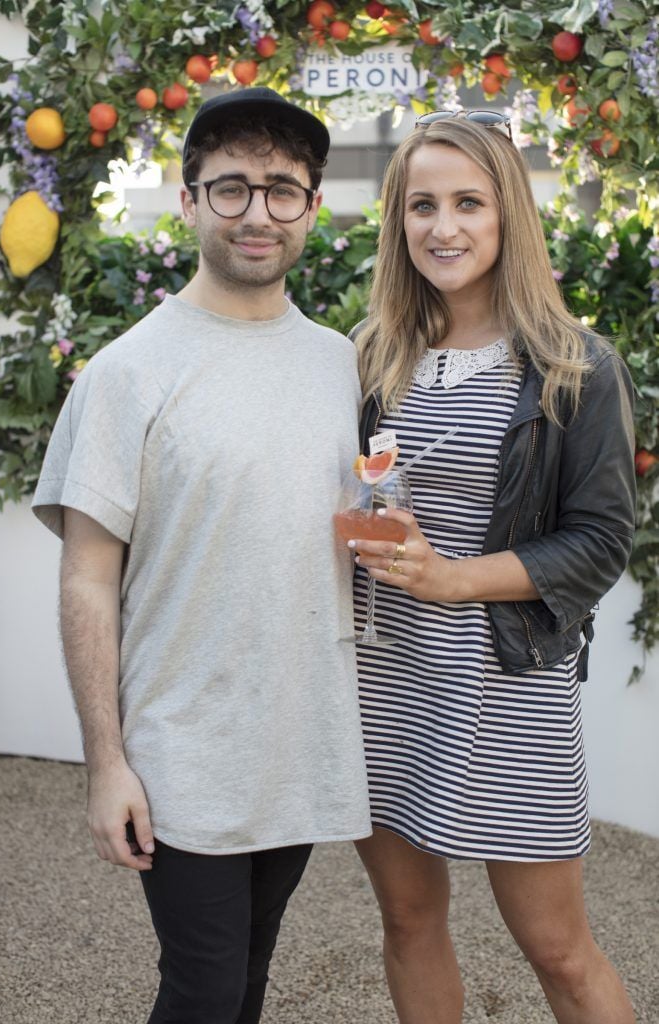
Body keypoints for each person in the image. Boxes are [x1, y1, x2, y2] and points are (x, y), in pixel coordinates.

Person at [32, 86, 371, 1024]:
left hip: (297, 747)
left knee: (249, 976)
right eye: (230, 188)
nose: (257, 213)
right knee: (205, 987)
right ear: (187, 202)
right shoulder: (125, 372)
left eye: (281, 189)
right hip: (183, 749)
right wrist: (107, 763)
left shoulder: (339, 364)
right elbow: (88, 578)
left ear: (311, 207)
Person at [347, 110, 637, 1023]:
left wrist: (455, 579)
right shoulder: (370, 359)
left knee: (556, 949)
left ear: (507, 214)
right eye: (420, 205)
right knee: (406, 922)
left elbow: (598, 541)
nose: (443, 227)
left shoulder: (573, 367)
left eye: (468, 203)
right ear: (396, 221)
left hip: (505, 687)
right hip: (382, 682)